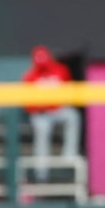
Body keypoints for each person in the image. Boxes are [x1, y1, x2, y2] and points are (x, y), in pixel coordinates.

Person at [22, 46, 80, 183]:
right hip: (41, 114)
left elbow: (69, 91)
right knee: (42, 130)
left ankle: (69, 157)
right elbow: (28, 105)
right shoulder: (30, 76)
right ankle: (41, 172)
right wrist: (40, 106)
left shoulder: (60, 70)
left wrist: (59, 103)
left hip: (58, 110)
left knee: (73, 116)